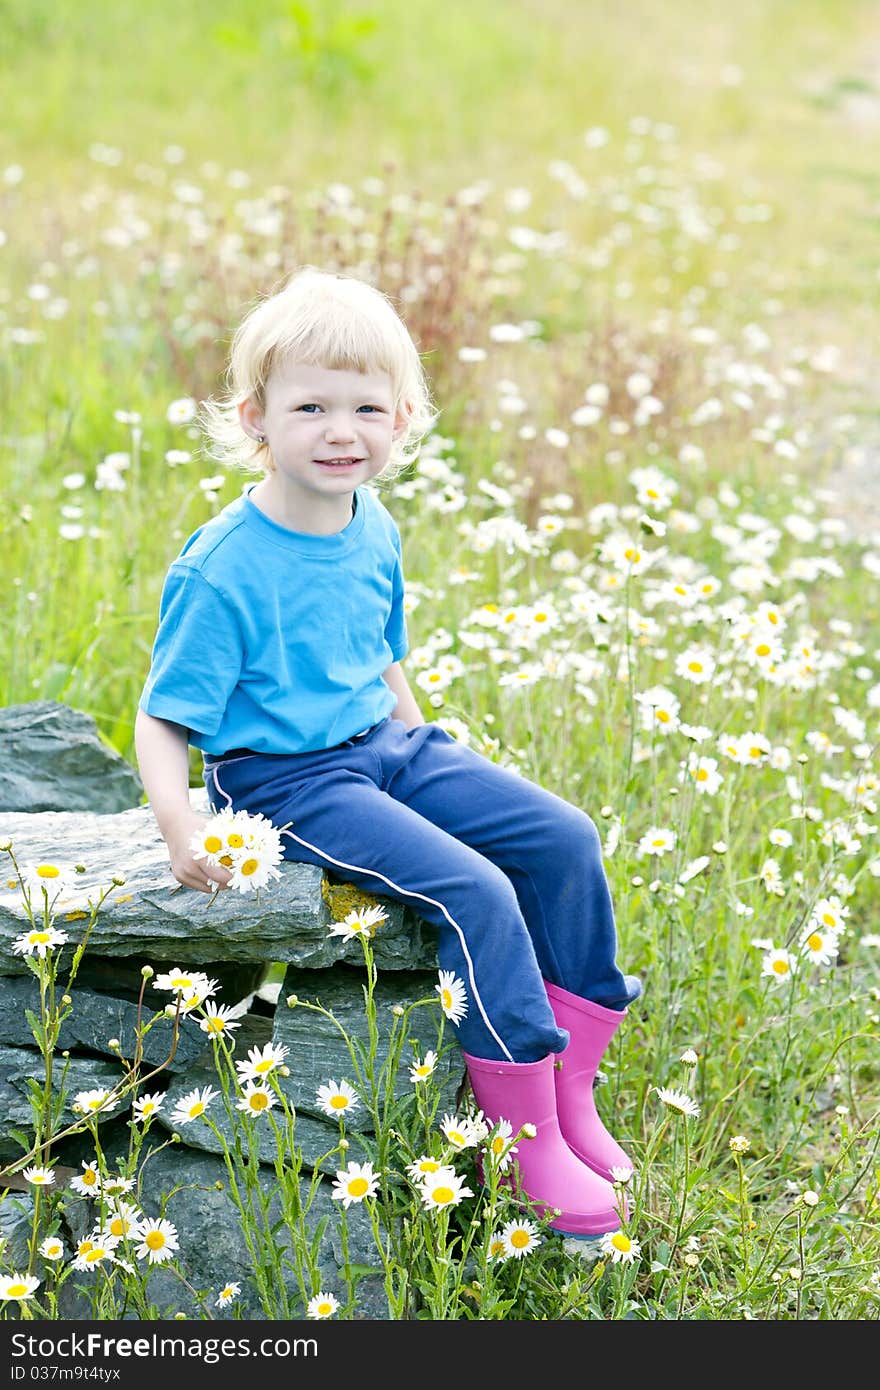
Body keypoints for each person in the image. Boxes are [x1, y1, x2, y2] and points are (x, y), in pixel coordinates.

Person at [135, 265, 641, 1237]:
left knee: (562, 838)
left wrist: (426, 751)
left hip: (383, 743)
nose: (340, 429)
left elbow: (381, 656)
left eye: (367, 407)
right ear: (255, 418)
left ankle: (572, 1090)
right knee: (475, 891)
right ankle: (523, 1137)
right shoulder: (223, 567)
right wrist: (177, 820)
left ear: (402, 420)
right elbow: (164, 715)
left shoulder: (374, 528)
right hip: (283, 780)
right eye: (311, 405)